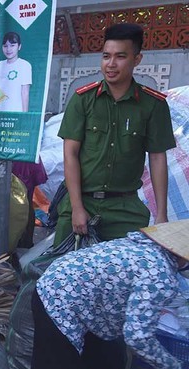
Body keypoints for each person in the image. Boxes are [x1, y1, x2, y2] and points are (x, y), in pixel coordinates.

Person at [26, 219, 188, 369]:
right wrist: (170, 368)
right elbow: (137, 336)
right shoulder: (160, 274)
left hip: (70, 292)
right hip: (59, 301)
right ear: (181, 256)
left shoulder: (141, 245)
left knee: (108, 364)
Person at [54, 23, 176, 246]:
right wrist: (77, 207)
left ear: (137, 60)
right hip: (82, 203)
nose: (110, 64)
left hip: (126, 209)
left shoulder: (153, 105)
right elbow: (70, 154)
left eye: (120, 57)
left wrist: (161, 215)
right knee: (61, 273)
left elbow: (158, 158)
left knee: (124, 276)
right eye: (106, 56)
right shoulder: (83, 99)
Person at [0, 32, 32, 112]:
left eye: (12, 45)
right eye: (5, 46)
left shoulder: (25, 65)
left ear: (19, 47)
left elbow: (25, 92)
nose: (8, 49)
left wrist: (24, 116)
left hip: (15, 114)